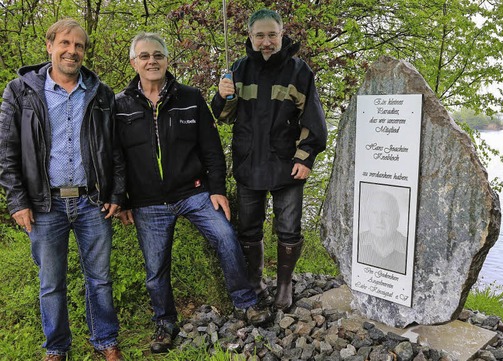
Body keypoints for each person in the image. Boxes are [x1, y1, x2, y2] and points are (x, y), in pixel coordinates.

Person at [114, 32, 270, 354]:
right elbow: (116, 157)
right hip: (148, 203)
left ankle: (245, 302)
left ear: (167, 60)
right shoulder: (119, 105)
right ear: (134, 63)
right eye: (144, 56)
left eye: (158, 55)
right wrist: (123, 199)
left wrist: (218, 190)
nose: (152, 61)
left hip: (194, 193)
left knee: (226, 236)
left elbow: (212, 149)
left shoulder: (190, 97)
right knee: (155, 268)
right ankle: (165, 322)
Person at [0, 19, 125, 361]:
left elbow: (114, 149)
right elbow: (7, 150)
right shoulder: (20, 91)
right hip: (44, 204)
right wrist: (17, 201)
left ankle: (105, 341)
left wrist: (117, 194)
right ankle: (56, 348)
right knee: (51, 283)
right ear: (50, 45)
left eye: (79, 46)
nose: (72, 51)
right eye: (66, 44)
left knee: (99, 278)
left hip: (91, 200)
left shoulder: (101, 93)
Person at [211, 9, 328, 311]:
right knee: (249, 228)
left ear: (281, 33)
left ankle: (285, 285)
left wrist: (306, 157)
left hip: (287, 164)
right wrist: (222, 95)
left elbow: (313, 120)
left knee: (288, 228)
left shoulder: (298, 71)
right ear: (250, 36)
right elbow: (223, 117)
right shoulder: (237, 68)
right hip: (248, 162)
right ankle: (255, 282)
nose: (266, 41)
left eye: (271, 34)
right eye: (259, 35)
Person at [357, 190, 408, 274]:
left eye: (386, 214)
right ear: (367, 217)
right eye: (374, 213)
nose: (379, 220)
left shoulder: (408, 247)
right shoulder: (356, 241)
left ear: (397, 219)